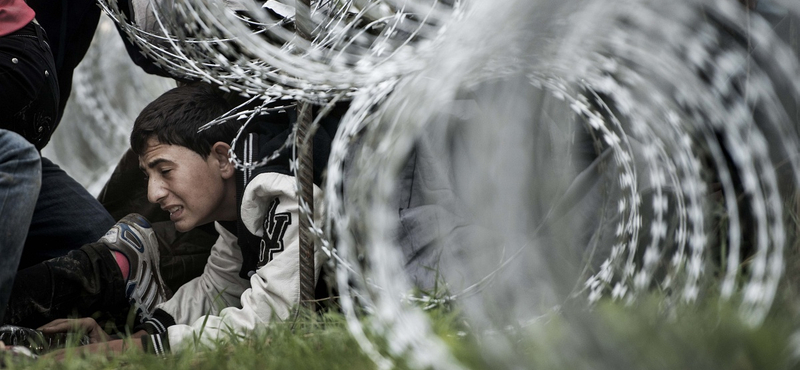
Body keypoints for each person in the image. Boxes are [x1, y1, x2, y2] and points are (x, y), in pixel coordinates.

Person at [3, 82, 335, 356]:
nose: (153, 194)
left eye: (165, 171)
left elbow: (273, 321)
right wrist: (135, 336)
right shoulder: (237, 203)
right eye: (149, 175)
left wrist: (127, 351)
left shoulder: (285, 190)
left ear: (222, 157)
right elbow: (218, 288)